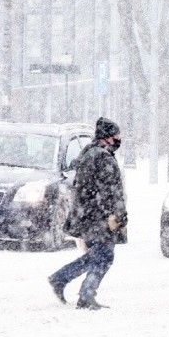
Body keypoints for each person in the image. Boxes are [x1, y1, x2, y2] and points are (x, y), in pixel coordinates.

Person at [48, 117, 127, 310]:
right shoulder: (103, 158)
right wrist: (119, 215)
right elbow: (112, 191)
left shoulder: (90, 154)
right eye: (116, 135)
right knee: (104, 257)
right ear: (107, 138)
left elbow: (87, 189)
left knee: (96, 255)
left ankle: (61, 279)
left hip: (88, 214)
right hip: (100, 217)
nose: (118, 139)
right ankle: (85, 294)